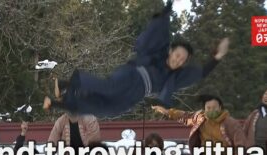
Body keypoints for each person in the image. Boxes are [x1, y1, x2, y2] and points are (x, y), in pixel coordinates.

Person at [43, 0, 229, 117]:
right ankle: (70, 82)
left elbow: (201, 73)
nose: (179, 60)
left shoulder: (175, 77)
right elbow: (161, 25)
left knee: (109, 109)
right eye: (178, 55)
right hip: (133, 75)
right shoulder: (159, 51)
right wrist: (169, 7)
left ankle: (59, 103)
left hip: (137, 93)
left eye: (183, 60)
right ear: (171, 51)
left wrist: (218, 57)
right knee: (109, 87)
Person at [152, 95, 246, 155]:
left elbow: (240, 141)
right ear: (204, 109)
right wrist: (168, 112)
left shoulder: (230, 123)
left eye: (214, 108)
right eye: (208, 108)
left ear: (220, 108)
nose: (211, 110)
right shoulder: (200, 118)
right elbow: (185, 115)